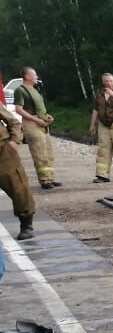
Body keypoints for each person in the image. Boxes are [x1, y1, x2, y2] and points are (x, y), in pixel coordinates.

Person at [12, 67, 60, 190]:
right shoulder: (20, 90)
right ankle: (44, 180)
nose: (36, 77)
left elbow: (40, 108)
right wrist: (36, 120)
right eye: (34, 75)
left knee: (48, 152)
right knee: (39, 153)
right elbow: (19, 109)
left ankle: (50, 178)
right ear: (27, 76)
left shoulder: (35, 90)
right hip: (31, 124)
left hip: (42, 123)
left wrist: (47, 117)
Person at [0, 92, 37, 240]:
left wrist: (15, 141)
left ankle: (26, 224)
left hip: (3, 153)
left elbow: (13, 122)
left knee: (17, 188)